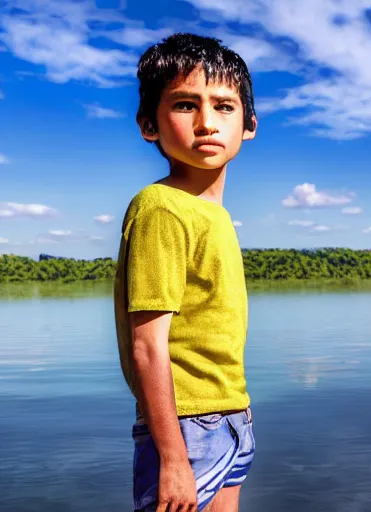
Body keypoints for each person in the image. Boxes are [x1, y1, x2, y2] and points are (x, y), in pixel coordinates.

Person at [114, 33, 258, 512]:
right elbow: (147, 345)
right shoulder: (161, 207)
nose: (206, 123)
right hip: (186, 426)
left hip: (230, 415)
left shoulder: (214, 214)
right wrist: (172, 456)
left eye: (223, 106)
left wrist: (238, 403)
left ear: (249, 123)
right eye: (184, 104)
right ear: (148, 125)